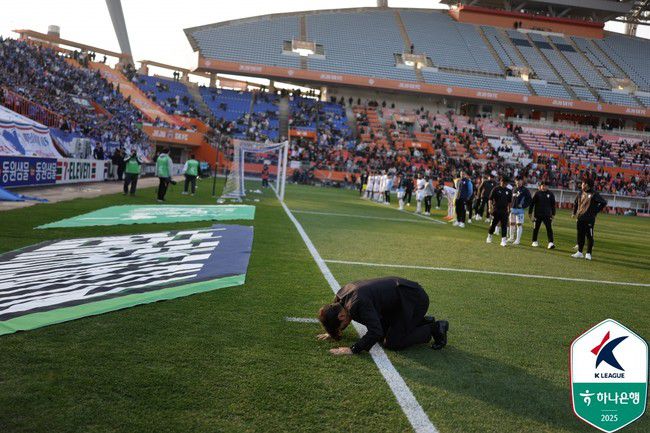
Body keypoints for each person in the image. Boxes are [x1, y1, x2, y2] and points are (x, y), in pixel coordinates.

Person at [317, 277, 449, 354]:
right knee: (384, 333)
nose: (342, 329)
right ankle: (421, 321)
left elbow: (375, 331)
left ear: (341, 316)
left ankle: (434, 327)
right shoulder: (341, 296)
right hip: (400, 302)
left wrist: (353, 349)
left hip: (414, 301)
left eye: (341, 327)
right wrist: (332, 331)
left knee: (392, 342)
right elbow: (333, 314)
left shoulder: (358, 304)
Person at [571, 179, 607, 260]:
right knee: (580, 235)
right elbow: (576, 203)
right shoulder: (580, 193)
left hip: (589, 219)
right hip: (580, 217)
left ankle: (588, 253)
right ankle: (579, 252)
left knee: (589, 236)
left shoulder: (594, 194)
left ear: (587, 185)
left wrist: (595, 211)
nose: (581, 185)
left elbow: (603, 202)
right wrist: (574, 213)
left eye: (583, 183)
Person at [486, 176, 512, 247]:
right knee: (493, 224)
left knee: (504, 225)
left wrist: (509, 209)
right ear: (500, 181)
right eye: (503, 182)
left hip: (505, 211)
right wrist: (490, 208)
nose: (504, 184)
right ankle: (489, 236)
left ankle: (503, 240)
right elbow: (490, 199)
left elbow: (510, 202)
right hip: (496, 210)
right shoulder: (496, 189)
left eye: (506, 183)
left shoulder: (509, 191)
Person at [529, 181, 556, 249]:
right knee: (536, 228)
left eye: (545, 186)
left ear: (548, 186)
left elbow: (553, 205)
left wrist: (553, 214)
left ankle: (550, 243)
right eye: (543, 185)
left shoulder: (550, 194)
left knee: (549, 228)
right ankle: (534, 241)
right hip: (538, 215)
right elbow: (532, 204)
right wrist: (530, 213)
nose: (544, 187)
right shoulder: (537, 193)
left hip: (547, 215)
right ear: (540, 186)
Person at [508, 176, 532, 245]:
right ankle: (511, 238)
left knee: (519, 224)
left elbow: (529, 200)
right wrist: (509, 207)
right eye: (517, 180)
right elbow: (510, 199)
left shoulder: (525, 190)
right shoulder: (513, 189)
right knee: (512, 223)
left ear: (522, 181)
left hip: (520, 210)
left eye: (519, 180)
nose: (518, 182)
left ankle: (517, 240)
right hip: (512, 209)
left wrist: (523, 206)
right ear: (515, 181)